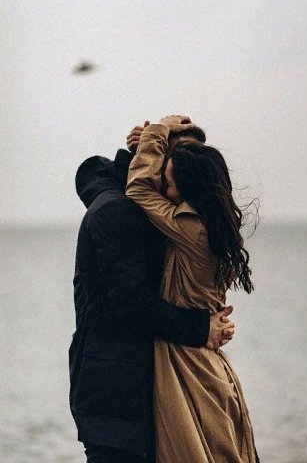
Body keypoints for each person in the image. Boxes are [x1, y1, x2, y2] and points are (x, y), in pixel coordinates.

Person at [69, 123, 235, 463]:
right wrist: (202, 327)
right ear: (157, 160)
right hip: (118, 394)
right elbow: (132, 304)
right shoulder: (117, 211)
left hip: (139, 385)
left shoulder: (157, 215)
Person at [126, 115, 259, 463]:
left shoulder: (189, 228)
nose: (166, 190)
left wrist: (158, 130)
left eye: (170, 184)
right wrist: (150, 144)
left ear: (189, 189)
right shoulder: (218, 226)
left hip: (188, 366)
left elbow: (138, 188)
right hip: (210, 364)